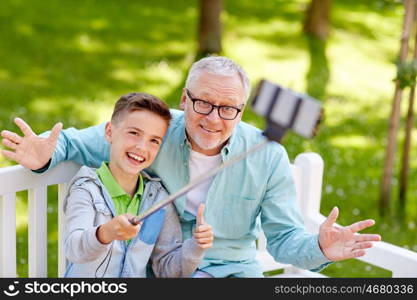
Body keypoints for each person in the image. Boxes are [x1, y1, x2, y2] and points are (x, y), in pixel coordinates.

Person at [1, 56, 381, 278]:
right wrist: (43, 157)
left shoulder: (266, 154)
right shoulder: (155, 134)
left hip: (235, 272)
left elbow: (283, 242)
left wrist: (322, 248)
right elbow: (76, 143)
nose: (214, 119)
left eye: (228, 108)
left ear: (242, 110)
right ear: (185, 98)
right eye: (203, 103)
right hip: (167, 273)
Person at [62, 92, 213, 277]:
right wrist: (106, 233)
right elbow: (74, 248)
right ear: (110, 132)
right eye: (134, 133)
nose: (142, 147)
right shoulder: (87, 189)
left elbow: (167, 270)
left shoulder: (159, 201)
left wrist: (195, 248)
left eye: (154, 141)